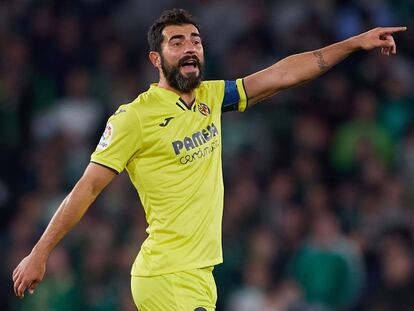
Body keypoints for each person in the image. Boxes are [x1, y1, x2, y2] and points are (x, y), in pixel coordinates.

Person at [12, 8, 406, 311]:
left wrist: (353, 43)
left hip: (199, 275)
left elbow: (283, 74)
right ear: (156, 58)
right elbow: (88, 187)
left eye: (195, 41)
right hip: (167, 275)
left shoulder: (212, 98)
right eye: (177, 41)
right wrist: (40, 252)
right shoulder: (134, 117)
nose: (189, 47)